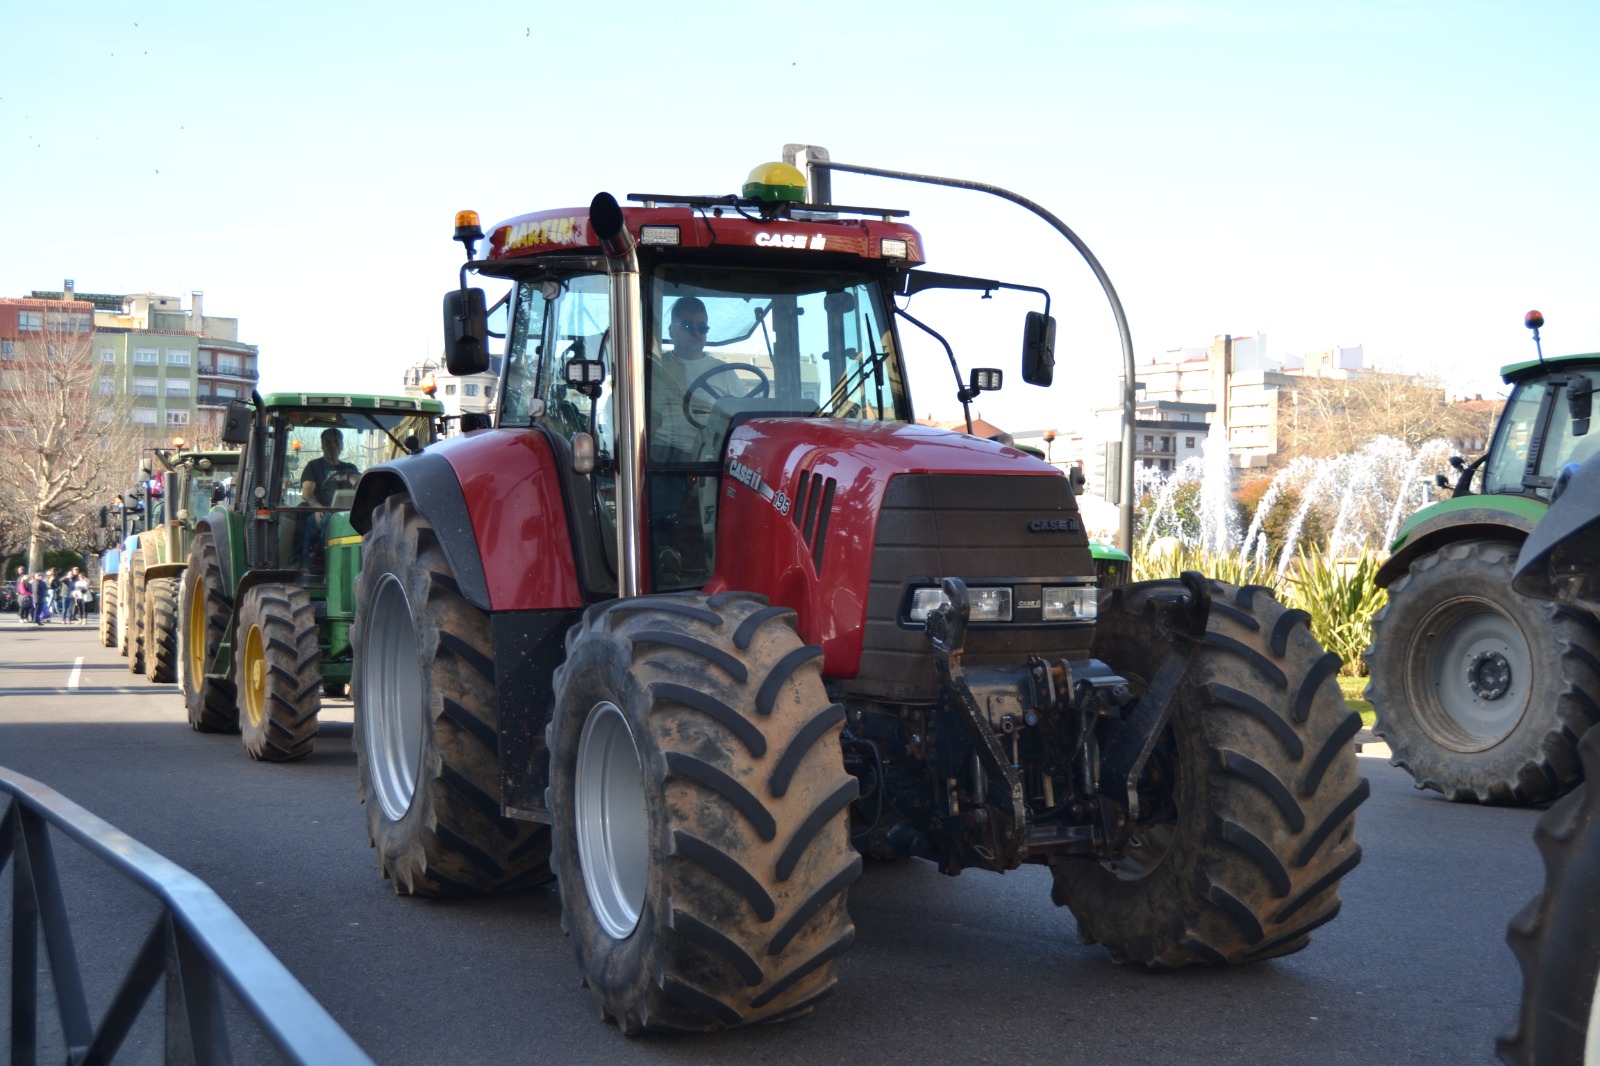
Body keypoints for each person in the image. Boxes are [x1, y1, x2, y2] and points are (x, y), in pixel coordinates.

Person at [298, 428, 361, 567]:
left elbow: (358, 483)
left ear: (342, 446)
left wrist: (359, 481)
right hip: (322, 512)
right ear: (322, 445)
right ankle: (327, 566)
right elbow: (307, 492)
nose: (332, 445)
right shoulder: (313, 466)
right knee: (327, 521)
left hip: (347, 513)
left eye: (336, 442)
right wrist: (317, 507)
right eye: (328, 442)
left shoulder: (349, 468)